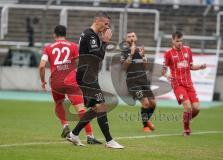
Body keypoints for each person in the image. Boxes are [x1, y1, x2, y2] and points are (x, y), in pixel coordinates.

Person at [67, 11, 124, 149]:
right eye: (106, 24)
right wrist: (104, 42)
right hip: (87, 76)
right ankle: (109, 141)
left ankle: (74, 134)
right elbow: (98, 57)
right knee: (101, 106)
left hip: (88, 75)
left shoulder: (89, 34)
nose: (107, 27)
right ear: (98, 21)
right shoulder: (91, 35)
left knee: (96, 108)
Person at [38, 25, 101, 144]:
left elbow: (42, 65)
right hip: (71, 81)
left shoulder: (48, 48)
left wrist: (42, 81)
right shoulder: (73, 46)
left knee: (58, 103)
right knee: (81, 109)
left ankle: (65, 126)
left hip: (56, 82)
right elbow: (80, 63)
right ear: (65, 34)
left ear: (54, 34)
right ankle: (90, 136)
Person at [161, 31, 207, 136]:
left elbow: (191, 66)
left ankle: (185, 120)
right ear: (172, 40)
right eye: (177, 41)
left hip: (189, 84)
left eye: (181, 41)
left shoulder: (187, 50)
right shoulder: (168, 53)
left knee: (196, 108)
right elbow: (163, 71)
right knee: (188, 107)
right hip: (178, 84)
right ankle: (186, 128)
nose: (179, 43)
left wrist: (200, 67)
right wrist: (167, 75)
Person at [120, 32, 156, 133]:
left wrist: (143, 56)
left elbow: (146, 66)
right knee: (145, 103)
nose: (131, 38)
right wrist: (131, 55)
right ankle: (145, 126)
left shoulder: (140, 50)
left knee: (153, 103)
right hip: (133, 82)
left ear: (136, 38)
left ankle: (147, 120)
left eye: (133, 36)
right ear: (126, 39)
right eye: (129, 36)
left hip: (143, 81)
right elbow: (123, 68)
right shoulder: (124, 51)